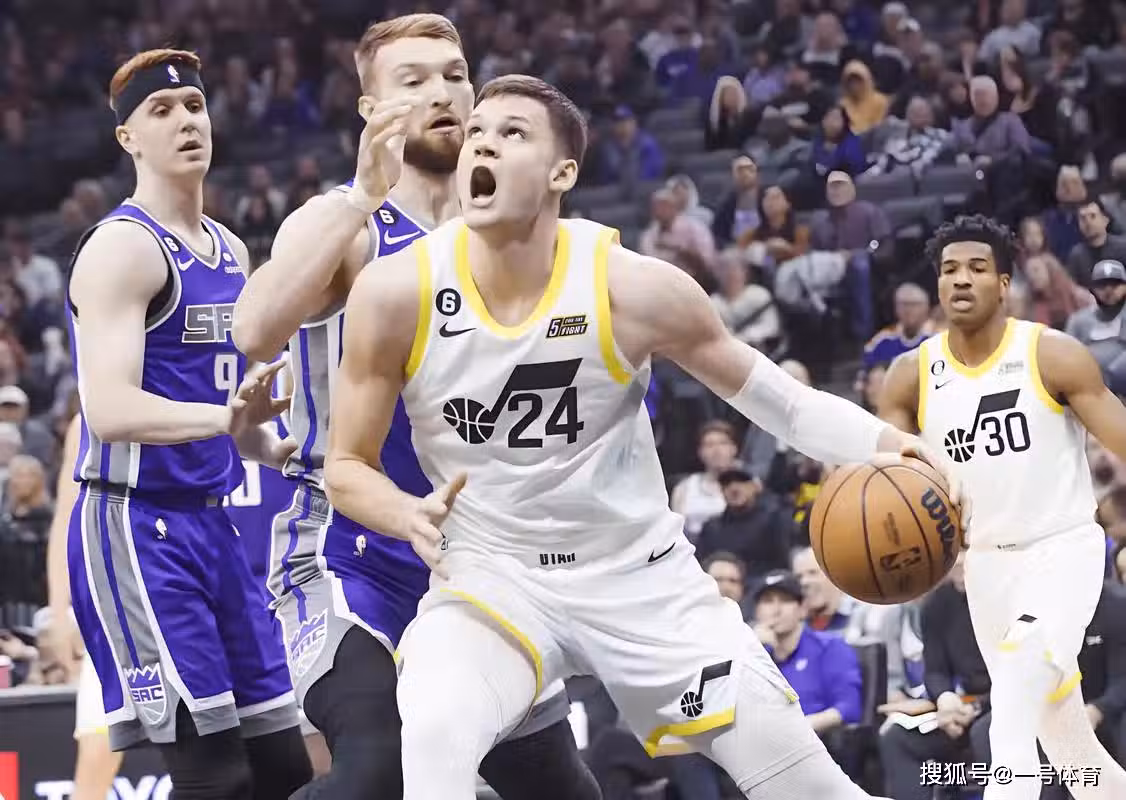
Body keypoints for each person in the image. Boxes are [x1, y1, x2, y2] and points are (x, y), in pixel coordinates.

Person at [325, 73, 959, 800]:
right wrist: (404, 513)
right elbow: (346, 465)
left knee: (811, 790)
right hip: (493, 579)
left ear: (563, 173)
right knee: (432, 735)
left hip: (639, 576)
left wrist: (889, 445)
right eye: (477, 132)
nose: (484, 145)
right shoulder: (395, 291)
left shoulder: (633, 288)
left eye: (512, 133)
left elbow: (781, 404)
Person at [231, 15, 598, 800]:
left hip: (477, 559)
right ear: (372, 111)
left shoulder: (514, 235)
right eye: (414, 80)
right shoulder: (347, 225)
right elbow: (253, 330)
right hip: (348, 552)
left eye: (455, 75)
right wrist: (364, 193)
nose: (443, 92)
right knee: (376, 767)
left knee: (563, 792)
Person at [65, 48, 311, 799]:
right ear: (128, 138)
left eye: (195, 106)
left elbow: (235, 418)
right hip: (136, 527)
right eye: (162, 111)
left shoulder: (231, 249)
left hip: (212, 527)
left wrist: (284, 449)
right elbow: (109, 410)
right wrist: (225, 416)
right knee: (215, 778)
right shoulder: (122, 246)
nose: (186, 121)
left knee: (284, 768)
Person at [878, 213, 1126, 799]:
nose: (961, 279)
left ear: (1005, 283)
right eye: (949, 270)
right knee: (1068, 745)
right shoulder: (910, 375)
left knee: (1009, 718)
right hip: (987, 567)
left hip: (1062, 551)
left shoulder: (1051, 354)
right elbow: (888, 484)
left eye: (977, 268)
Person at [40, 414, 124, 800]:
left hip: (184, 592)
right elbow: (66, 518)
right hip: (112, 606)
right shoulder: (88, 417)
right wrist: (59, 615)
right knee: (95, 756)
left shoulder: (200, 395)